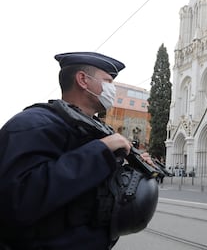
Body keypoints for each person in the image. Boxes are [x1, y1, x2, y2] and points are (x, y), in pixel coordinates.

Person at [0, 52, 156, 250]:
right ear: (83, 80)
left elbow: (102, 193)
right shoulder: (33, 124)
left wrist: (135, 171)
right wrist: (100, 151)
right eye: (108, 81)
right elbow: (17, 200)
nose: (112, 89)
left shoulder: (98, 132)